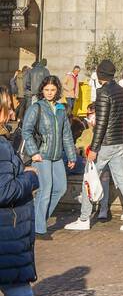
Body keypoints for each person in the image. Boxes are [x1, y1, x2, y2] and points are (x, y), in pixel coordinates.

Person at [0, 89, 79, 296]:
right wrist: (30, 178)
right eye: (7, 110)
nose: (10, 115)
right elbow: (4, 191)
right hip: (6, 238)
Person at [64, 59, 123, 232]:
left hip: (105, 144)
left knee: (89, 177)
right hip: (120, 142)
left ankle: (84, 218)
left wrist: (94, 148)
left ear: (100, 75)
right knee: (122, 180)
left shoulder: (103, 93)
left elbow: (101, 123)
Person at [21, 76, 77, 237]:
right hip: (42, 155)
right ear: (42, 90)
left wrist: (72, 156)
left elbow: (66, 134)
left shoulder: (60, 109)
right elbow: (26, 131)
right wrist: (34, 152)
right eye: (46, 90)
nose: (50, 93)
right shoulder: (36, 108)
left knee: (60, 188)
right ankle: (39, 229)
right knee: (45, 190)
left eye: (52, 90)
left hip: (57, 156)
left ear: (57, 90)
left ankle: (37, 220)